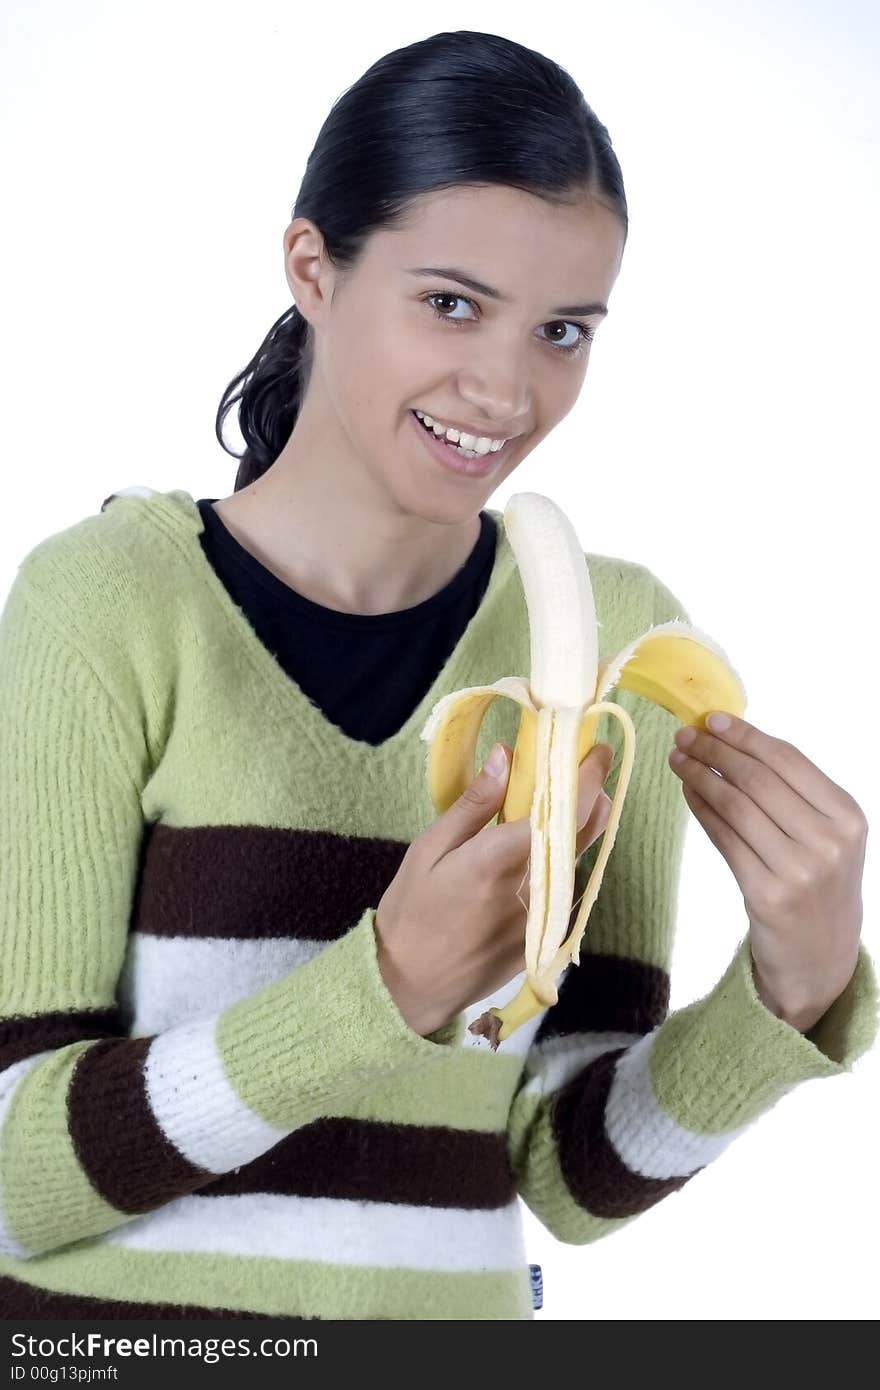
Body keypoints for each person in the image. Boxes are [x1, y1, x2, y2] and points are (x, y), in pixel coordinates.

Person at [0, 29, 875, 1322]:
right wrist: (385, 987)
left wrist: (789, 988)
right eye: (451, 303)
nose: (506, 387)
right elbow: (15, 1175)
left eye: (564, 329)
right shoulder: (109, 601)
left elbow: (567, 1173)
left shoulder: (620, 643)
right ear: (313, 266)